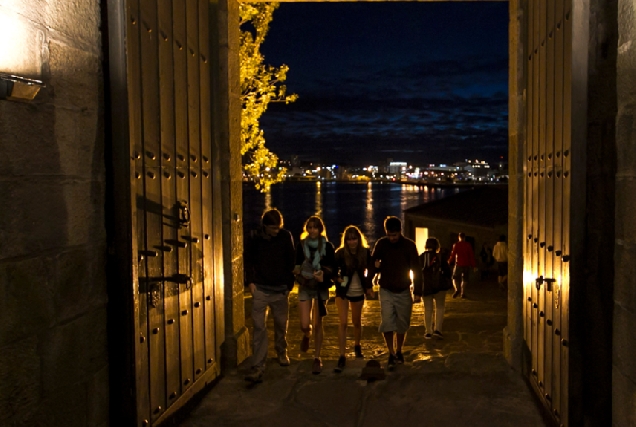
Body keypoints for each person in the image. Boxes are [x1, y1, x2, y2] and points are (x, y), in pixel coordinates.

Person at [243, 208, 296, 383]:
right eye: (273, 228)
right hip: (260, 288)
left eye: (278, 227)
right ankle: (258, 363)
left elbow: (291, 260)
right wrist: (250, 282)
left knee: (281, 325)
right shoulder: (255, 237)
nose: (276, 231)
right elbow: (248, 260)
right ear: (265, 226)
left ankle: (281, 351)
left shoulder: (285, 236)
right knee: (259, 327)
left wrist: (289, 285)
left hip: (280, 289)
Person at [368, 216, 422, 371]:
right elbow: (373, 264)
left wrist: (418, 291)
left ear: (400, 232)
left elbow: (416, 269)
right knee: (387, 322)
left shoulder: (409, 246)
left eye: (395, 235)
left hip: (404, 289)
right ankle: (391, 352)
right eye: (389, 235)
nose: (392, 238)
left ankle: (399, 350)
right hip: (385, 289)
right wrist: (369, 285)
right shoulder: (381, 244)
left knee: (402, 323)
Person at [294, 216, 336, 375]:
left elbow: (333, 267)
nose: (312, 230)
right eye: (309, 227)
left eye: (315, 227)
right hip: (305, 286)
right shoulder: (301, 245)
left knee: (318, 323)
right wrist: (299, 275)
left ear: (320, 229)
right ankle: (306, 334)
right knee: (305, 323)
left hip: (320, 287)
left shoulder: (327, 246)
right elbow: (296, 265)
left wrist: (323, 274)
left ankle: (317, 357)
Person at [333, 225, 375, 373]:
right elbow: (331, 268)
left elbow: (372, 269)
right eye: (349, 239)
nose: (352, 242)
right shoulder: (340, 253)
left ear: (359, 239)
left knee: (356, 321)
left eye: (354, 238)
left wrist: (369, 286)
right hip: (343, 291)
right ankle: (342, 355)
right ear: (345, 240)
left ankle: (357, 345)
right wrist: (336, 279)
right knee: (343, 322)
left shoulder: (365, 253)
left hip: (358, 290)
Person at [414, 237, 452, 339]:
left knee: (428, 309)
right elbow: (448, 271)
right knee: (440, 307)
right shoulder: (440, 257)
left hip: (426, 286)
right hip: (439, 286)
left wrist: (417, 289)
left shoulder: (421, 257)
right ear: (436, 246)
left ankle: (428, 332)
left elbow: (417, 274)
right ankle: (438, 330)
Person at [447, 232, 477, 299]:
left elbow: (453, 254)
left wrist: (449, 262)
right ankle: (463, 293)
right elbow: (471, 256)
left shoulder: (456, 245)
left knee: (454, 278)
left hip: (458, 264)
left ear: (459, 237)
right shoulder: (468, 245)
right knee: (465, 279)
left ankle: (457, 289)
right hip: (466, 264)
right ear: (464, 237)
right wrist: (474, 265)